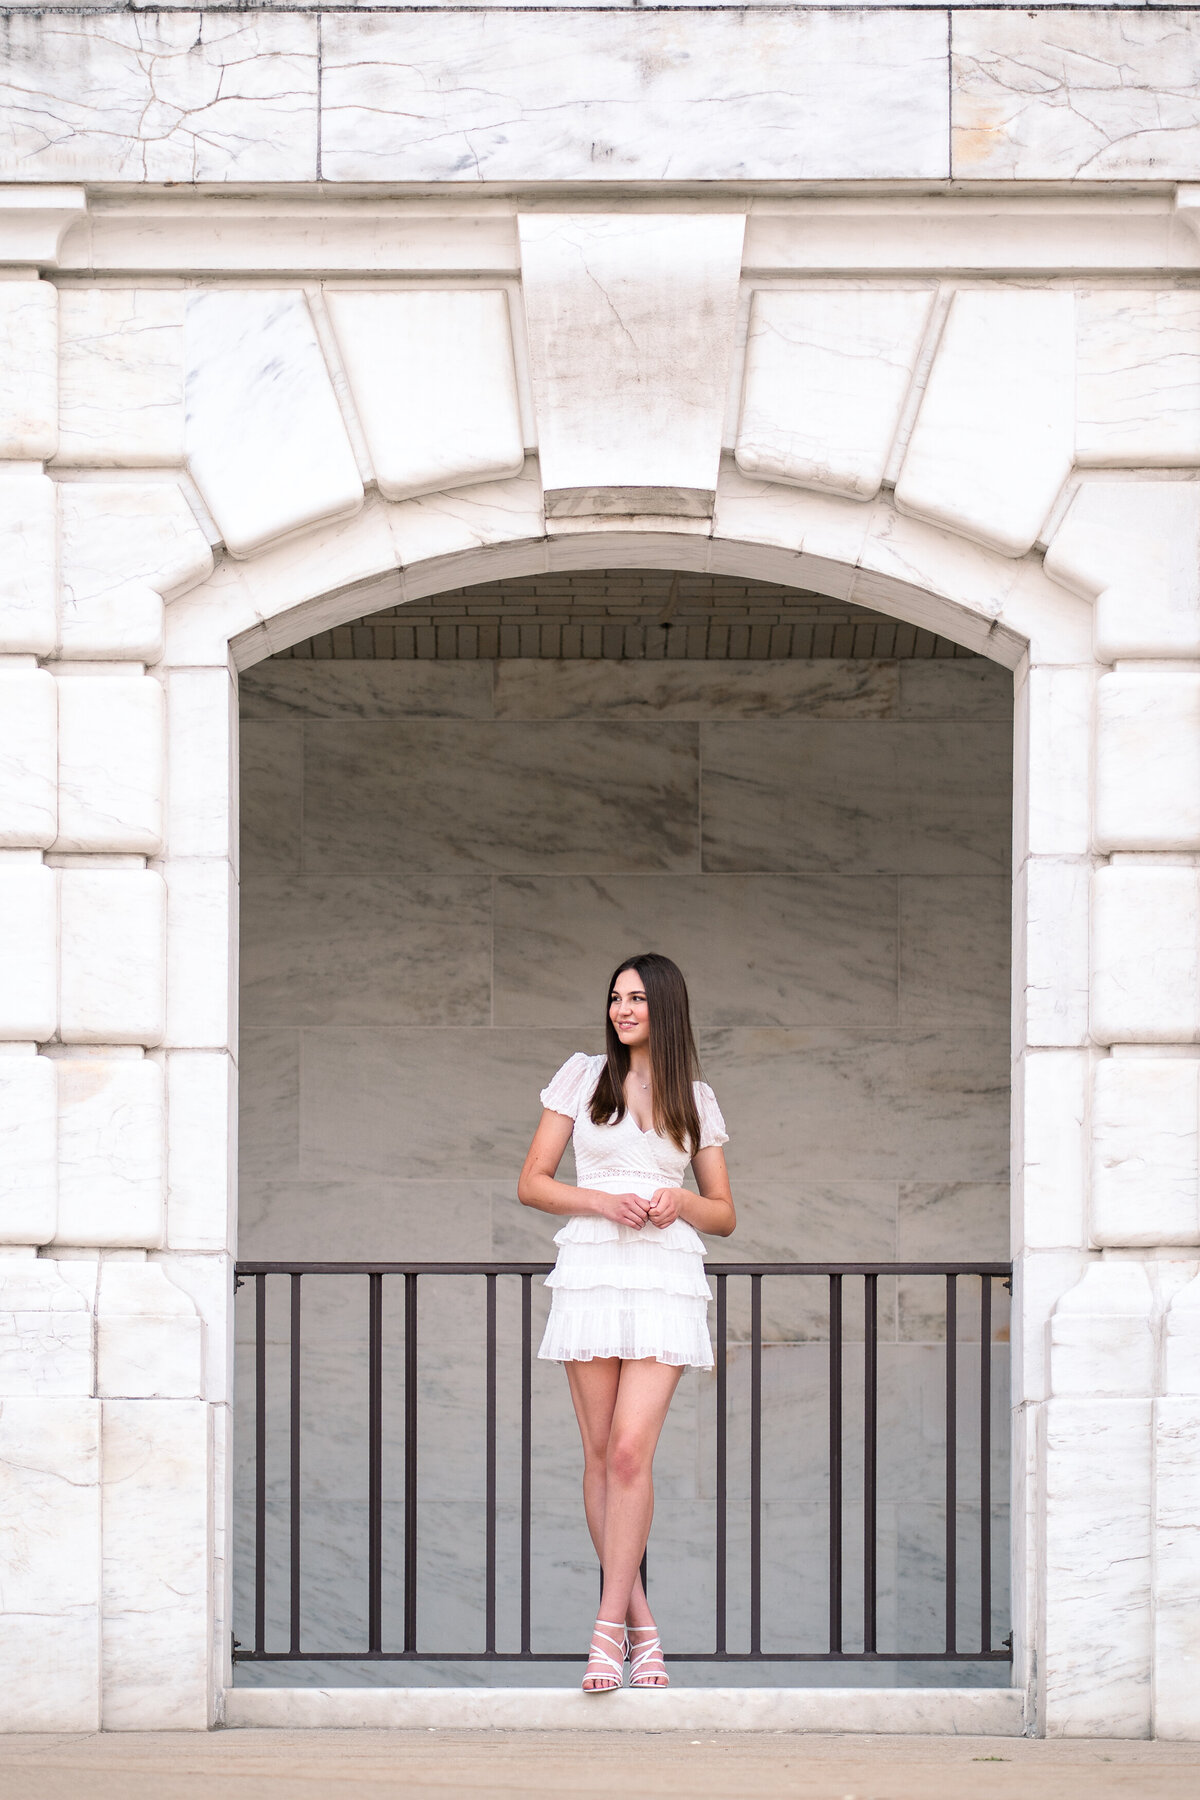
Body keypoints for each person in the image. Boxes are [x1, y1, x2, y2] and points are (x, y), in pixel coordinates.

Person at [517, 953, 736, 1692]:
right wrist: (602, 1201)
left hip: (664, 1275)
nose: (623, 1009)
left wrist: (679, 1204)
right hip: (592, 1268)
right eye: (616, 997)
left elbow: (725, 1214)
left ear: (664, 1006)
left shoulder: (695, 1098)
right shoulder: (583, 1076)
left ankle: (606, 1631)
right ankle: (639, 1629)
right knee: (600, 1453)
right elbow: (533, 1182)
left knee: (631, 1454)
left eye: (637, 998)